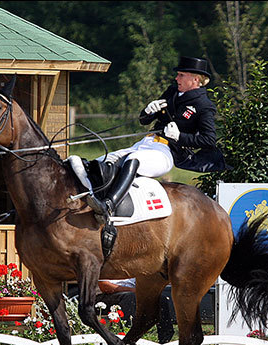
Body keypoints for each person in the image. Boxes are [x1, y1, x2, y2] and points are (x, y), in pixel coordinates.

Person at [87, 56, 218, 222]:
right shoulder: (172, 92)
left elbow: (209, 140)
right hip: (145, 143)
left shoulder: (204, 105)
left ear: (195, 79)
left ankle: (109, 204)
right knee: (102, 161)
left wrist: (180, 137)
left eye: (181, 75)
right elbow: (144, 121)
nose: (176, 78)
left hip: (167, 152)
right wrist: (148, 110)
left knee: (134, 160)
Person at [96, 278, 176, 344]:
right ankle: (124, 340)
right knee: (130, 298)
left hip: (134, 293)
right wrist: (134, 291)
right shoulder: (107, 261)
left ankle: (165, 342)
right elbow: (104, 286)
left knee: (160, 298)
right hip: (106, 295)